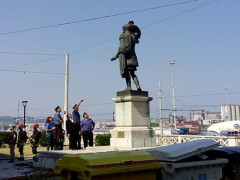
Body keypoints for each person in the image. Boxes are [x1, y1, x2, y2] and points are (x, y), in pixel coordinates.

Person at [111, 24, 142, 91]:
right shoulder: (133, 36)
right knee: (133, 73)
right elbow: (138, 37)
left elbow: (123, 47)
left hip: (126, 57)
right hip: (133, 57)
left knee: (126, 72)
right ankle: (138, 87)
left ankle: (129, 86)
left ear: (124, 29)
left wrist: (116, 55)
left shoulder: (123, 35)